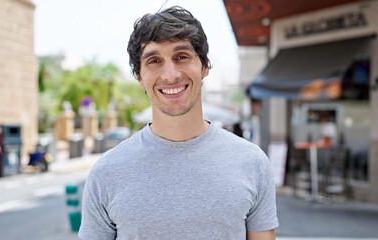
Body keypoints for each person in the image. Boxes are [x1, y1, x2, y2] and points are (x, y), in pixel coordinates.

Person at [79, 6, 278, 240]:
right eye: (154, 61)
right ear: (140, 77)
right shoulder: (106, 173)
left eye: (181, 57)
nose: (170, 74)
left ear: (204, 67)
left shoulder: (252, 162)